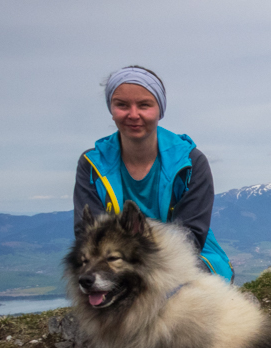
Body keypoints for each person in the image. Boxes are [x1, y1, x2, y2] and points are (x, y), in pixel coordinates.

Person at [74, 65, 233, 281]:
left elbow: (191, 238)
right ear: (111, 109)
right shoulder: (91, 165)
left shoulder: (191, 162)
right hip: (116, 263)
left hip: (184, 259)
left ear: (160, 109)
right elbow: (88, 235)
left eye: (144, 105)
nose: (133, 114)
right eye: (121, 105)